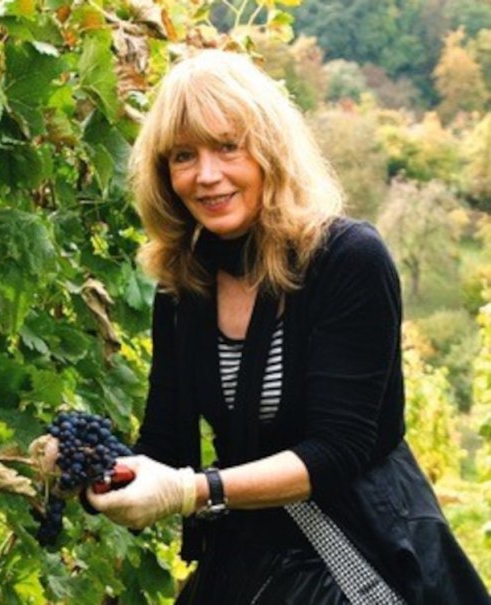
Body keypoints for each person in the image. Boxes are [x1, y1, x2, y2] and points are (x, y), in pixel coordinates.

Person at [84, 50, 488, 604]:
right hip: (249, 558)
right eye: (183, 155)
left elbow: (338, 450)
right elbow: (165, 445)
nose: (206, 175)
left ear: (270, 151)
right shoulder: (185, 287)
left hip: (362, 552)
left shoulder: (347, 260)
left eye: (228, 146)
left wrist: (192, 490)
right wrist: (92, 469)